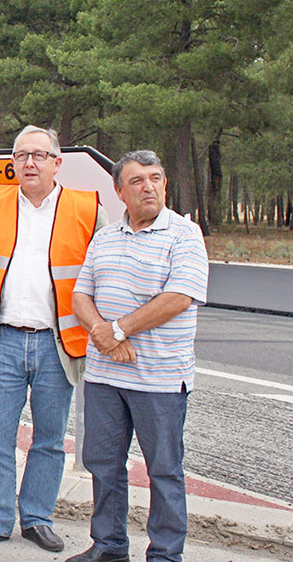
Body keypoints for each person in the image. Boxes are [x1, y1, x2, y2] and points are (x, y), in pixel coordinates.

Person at [0, 125, 108, 553]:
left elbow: (102, 274)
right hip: (3, 340)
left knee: (48, 439)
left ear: (57, 162)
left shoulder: (86, 207)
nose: (29, 163)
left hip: (56, 344)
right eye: (21, 155)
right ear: (13, 163)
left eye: (39, 155)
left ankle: (37, 518)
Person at [67, 151, 208, 562]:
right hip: (106, 377)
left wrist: (118, 329)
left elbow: (179, 297)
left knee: (164, 470)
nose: (149, 187)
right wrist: (103, 332)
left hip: (160, 380)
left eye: (156, 178)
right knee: (103, 464)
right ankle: (109, 546)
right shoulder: (106, 235)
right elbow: (81, 293)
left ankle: (165, 554)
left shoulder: (184, 234)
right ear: (119, 191)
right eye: (138, 181)